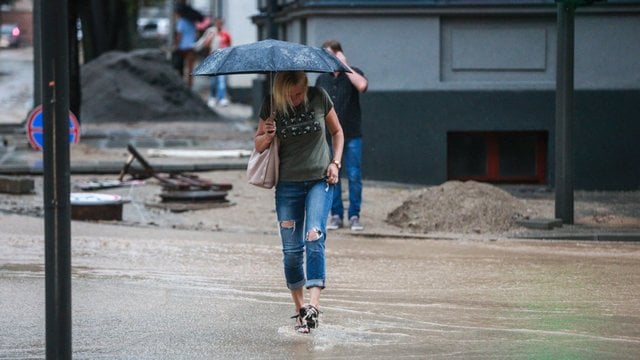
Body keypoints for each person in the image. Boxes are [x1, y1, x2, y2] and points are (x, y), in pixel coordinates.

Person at [254, 71, 344, 334]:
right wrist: (268, 135)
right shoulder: (271, 104)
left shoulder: (319, 97)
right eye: (290, 95)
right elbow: (258, 145)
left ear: (306, 88)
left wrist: (335, 163)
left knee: (314, 236)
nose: (295, 99)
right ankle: (301, 309)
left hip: (320, 180)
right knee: (292, 252)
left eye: (299, 94)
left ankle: (314, 307)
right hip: (288, 186)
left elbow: (337, 132)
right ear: (281, 91)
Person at [315, 40, 368, 231]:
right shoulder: (322, 79)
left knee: (354, 175)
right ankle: (336, 215)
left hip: (352, 134)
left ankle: (354, 215)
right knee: (331, 175)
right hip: (329, 137)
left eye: (331, 55)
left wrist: (345, 66)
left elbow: (362, 86)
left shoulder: (352, 73)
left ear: (339, 55)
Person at [196, 17, 232, 107]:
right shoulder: (211, 31)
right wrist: (210, 37)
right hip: (213, 58)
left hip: (223, 59)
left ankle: (222, 98)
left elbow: (229, 46)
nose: (219, 24)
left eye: (221, 23)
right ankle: (212, 97)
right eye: (218, 23)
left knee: (222, 80)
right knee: (213, 80)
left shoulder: (226, 33)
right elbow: (205, 44)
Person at [173, 4, 197, 89]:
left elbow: (179, 35)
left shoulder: (181, 21)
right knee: (190, 68)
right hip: (191, 47)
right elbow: (195, 34)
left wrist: (176, 45)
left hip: (182, 48)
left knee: (181, 67)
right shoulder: (193, 21)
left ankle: (182, 86)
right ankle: (190, 85)